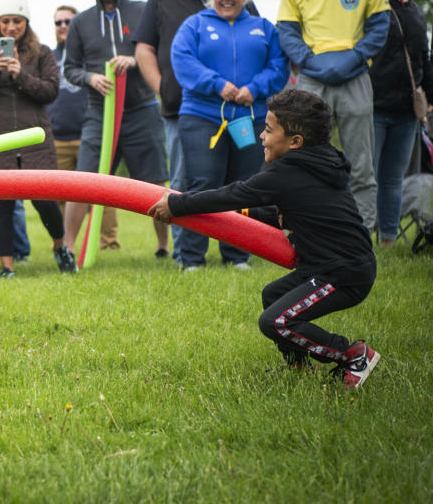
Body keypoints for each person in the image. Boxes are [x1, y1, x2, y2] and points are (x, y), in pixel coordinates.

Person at [149, 89, 380, 389]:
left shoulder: (288, 173)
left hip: (342, 273)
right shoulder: (319, 164)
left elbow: (233, 193)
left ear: (295, 142)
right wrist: (243, 213)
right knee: (272, 296)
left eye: (270, 130)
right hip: (331, 267)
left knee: (277, 321)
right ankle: (299, 367)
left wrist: (177, 204)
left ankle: (353, 355)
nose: (261, 136)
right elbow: (278, 209)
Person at [135, 0, 258, 264]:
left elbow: (257, 38)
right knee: (186, 183)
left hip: (236, 111)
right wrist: (162, 87)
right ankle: (187, 255)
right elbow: (144, 48)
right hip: (182, 111)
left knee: (236, 182)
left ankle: (236, 253)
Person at [277, 0, 390, 233]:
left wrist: (354, 58)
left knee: (361, 163)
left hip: (355, 75)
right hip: (312, 80)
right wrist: (311, 62)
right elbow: (287, 31)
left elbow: (379, 27)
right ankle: (304, 231)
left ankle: (361, 234)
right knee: (304, 159)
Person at [170, 0, 289, 270]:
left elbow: (278, 66)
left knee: (244, 186)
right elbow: (182, 59)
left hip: (251, 118)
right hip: (202, 115)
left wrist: (255, 89)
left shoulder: (263, 28)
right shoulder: (195, 24)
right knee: (201, 184)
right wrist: (216, 83)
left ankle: (238, 255)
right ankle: (191, 258)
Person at [0, 0, 75, 278]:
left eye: (17, 21)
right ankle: (7, 267)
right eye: (6, 21)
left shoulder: (42, 53)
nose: (11, 27)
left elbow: (50, 91)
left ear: (27, 22)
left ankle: (59, 246)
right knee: (3, 204)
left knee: (44, 200)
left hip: (35, 139)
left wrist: (20, 74)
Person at [63, 0, 169, 259]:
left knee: (154, 179)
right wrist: (90, 77)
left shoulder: (141, 11)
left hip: (141, 109)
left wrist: (135, 61)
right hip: (99, 111)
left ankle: (163, 246)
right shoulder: (81, 22)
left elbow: (159, 52)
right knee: (83, 180)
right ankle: (69, 249)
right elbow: (70, 68)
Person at [370, 0, 433, 245]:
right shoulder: (375, 5)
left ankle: (387, 238)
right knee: (366, 176)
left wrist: (430, 99)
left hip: (407, 110)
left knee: (393, 179)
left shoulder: (416, 12)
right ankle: (359, 236)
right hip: (374, 105)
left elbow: (424, 59)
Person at [47, 4, 120, 250]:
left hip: (90, 133)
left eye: (68, 21)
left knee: (102, 191)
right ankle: (64, 243)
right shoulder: (50, 58)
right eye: (58, 22)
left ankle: (109, 242)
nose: (63, 26)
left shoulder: (89, 58)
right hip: (58, 137)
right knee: (61, 194)